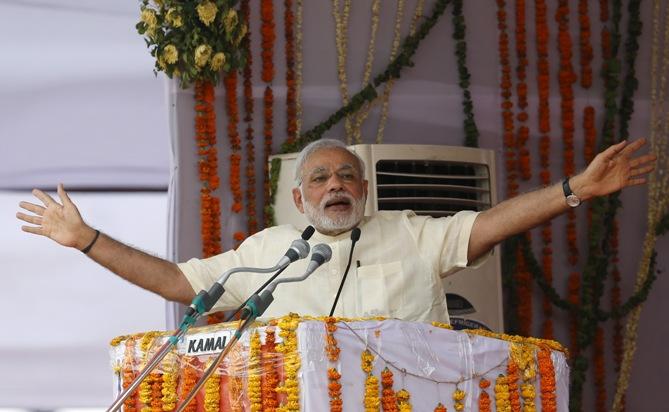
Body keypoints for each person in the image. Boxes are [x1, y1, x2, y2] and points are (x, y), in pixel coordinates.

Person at [16, 138, 656, 323]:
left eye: (347, 176)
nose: (335, 186)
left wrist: (573, 190)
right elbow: (180, 283)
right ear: (298, 197)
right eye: (320, 178)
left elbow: (487, 225)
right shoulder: (267, 252)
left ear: (365, 189)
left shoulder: (407, 231)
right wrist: (89, 240)